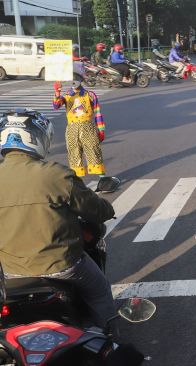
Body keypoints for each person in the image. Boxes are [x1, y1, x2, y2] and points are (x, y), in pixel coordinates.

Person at [0, 109, 117, 331]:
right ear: (37, 139)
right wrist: (107, 209)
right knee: (100, 292)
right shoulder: (56, 174)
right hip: (62, 266)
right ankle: (108, 338)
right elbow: (96, 210)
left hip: (10, 270)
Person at [52, 79, 114, 185]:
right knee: (74, 154)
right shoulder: (67, 96)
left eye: (76, 79)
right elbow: (56, 106)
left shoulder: (90, 95)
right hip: (72, 129)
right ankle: (78, 183)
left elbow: (98, 113)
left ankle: (102, 179)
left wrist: (101, 130)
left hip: (88, 128)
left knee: (94, 151)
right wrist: (57, 92)